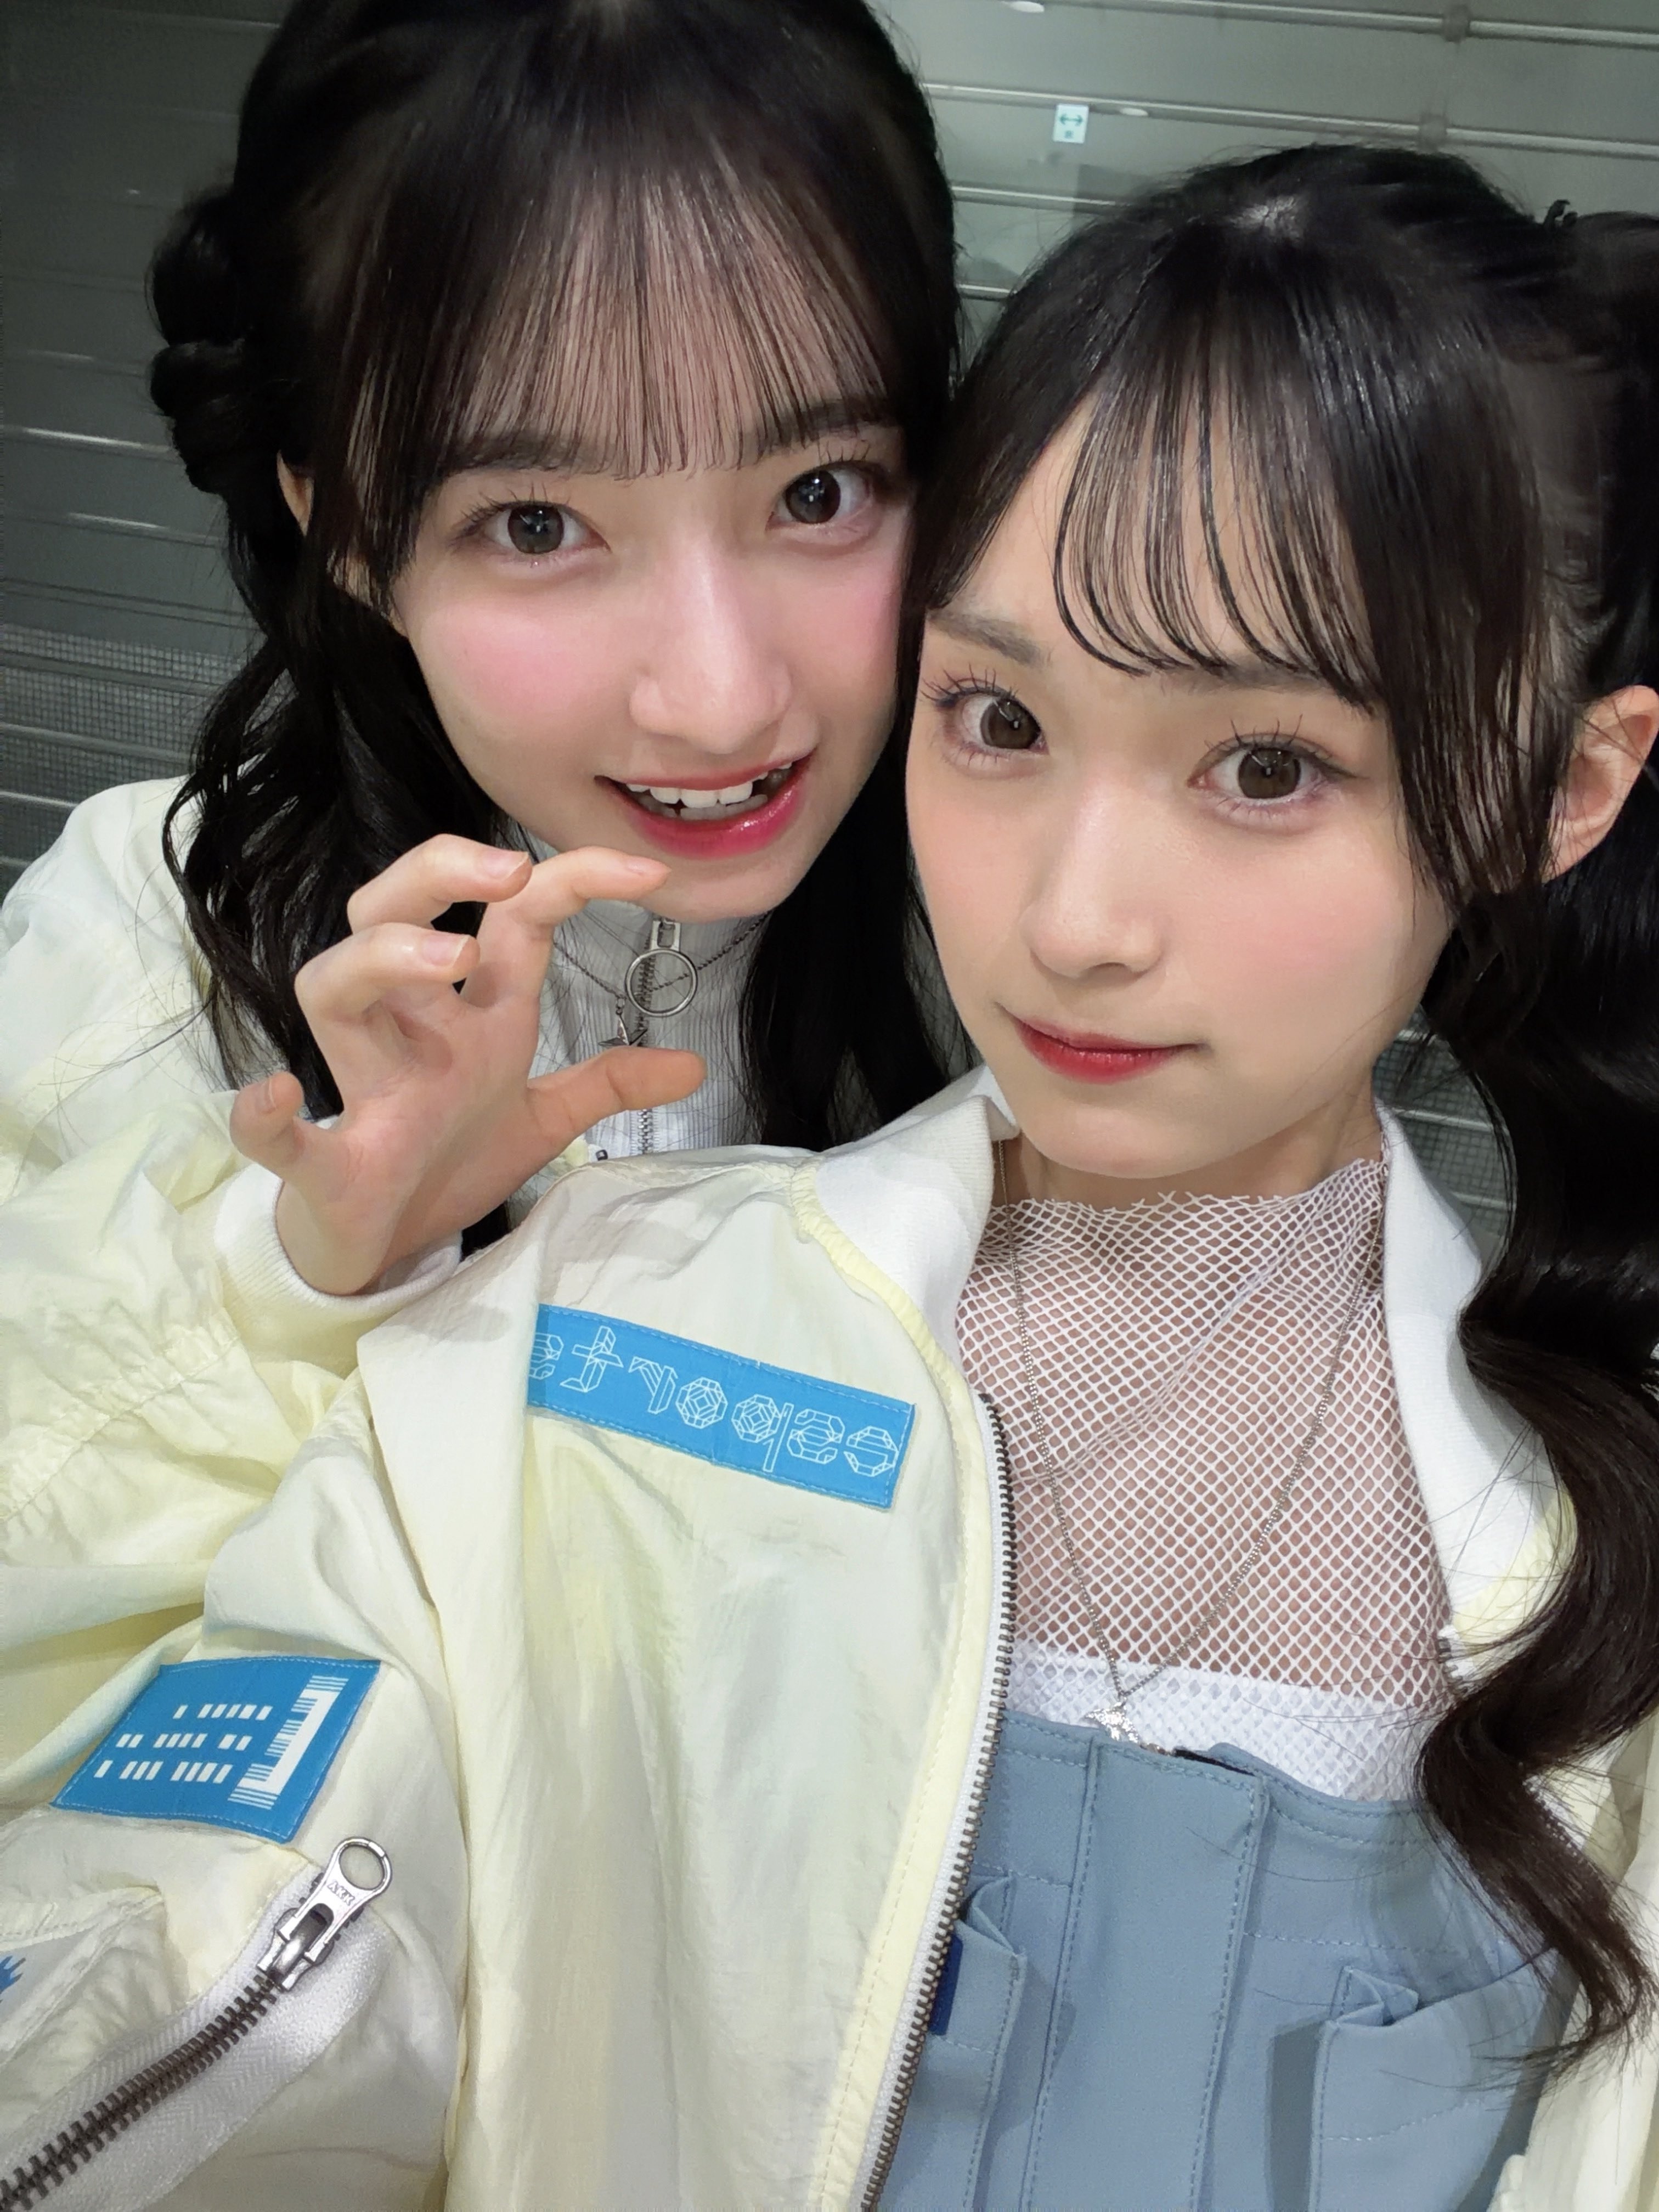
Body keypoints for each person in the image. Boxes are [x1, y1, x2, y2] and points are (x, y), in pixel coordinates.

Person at [6, 145, 1659, 2209]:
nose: (1073, 921)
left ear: (1564, 786)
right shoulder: (584, 1335)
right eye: (998, 718)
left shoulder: (1591, 1570)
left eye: (1266, 767)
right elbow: (197, 1932)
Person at [0, 0, 964, 1777]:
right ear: (344, 524)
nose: (721, 698)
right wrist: (304, 1271)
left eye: (822, 489)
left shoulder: (1023, 977)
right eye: (536, 523)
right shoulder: (137, 949)